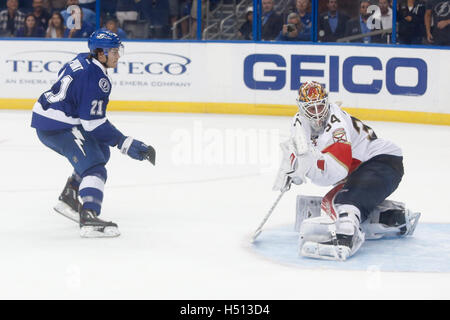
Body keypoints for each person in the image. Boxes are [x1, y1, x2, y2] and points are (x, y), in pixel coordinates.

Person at [273, 81, 420, 260]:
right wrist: (290, 169)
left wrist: (308, 167)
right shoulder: (299, 122)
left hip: (383, 162)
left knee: (345, 202)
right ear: (302, 108)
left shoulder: (337, 125)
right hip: (364, 168)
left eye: (320, 106)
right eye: (312, 109)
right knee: (331, 203)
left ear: (327, 102)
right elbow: (297, 150)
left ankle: (347, 237)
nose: (318, 113)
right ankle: (393, 218)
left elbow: (337, 172)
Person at [30, 30, 156, 238]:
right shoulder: (96, 80)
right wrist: (125, 143)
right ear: (99, 53)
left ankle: (70, 195)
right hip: (56, 126)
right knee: (95, 167)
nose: (117, 56)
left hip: (55, 117)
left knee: (101, 151)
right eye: (113, 52)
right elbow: (93, 124)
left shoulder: (82, 58)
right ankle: (89, 217)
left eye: (118, 51)